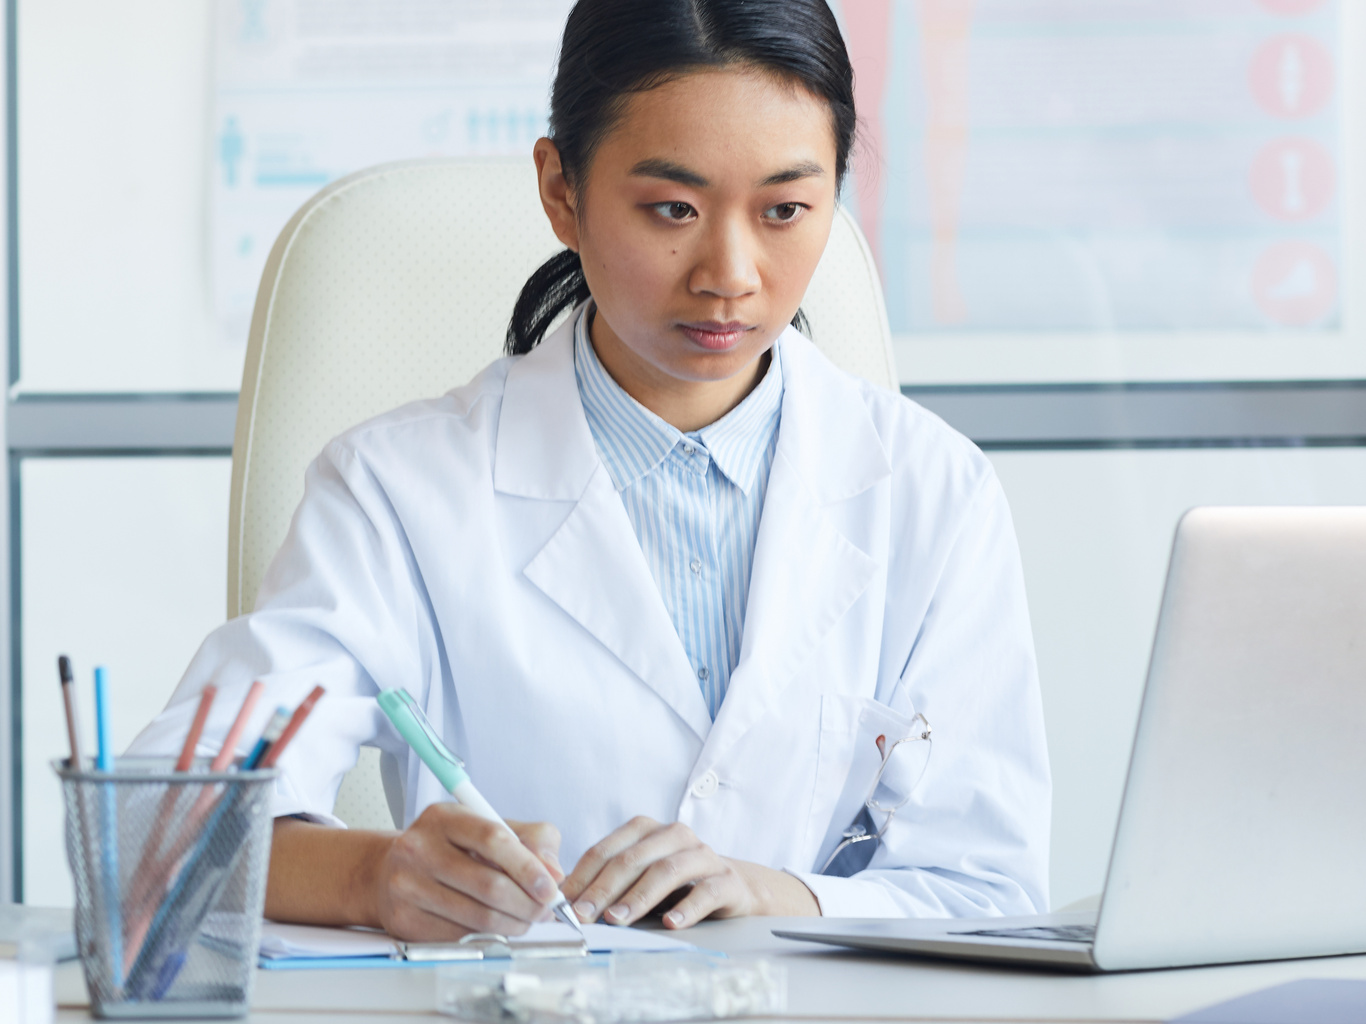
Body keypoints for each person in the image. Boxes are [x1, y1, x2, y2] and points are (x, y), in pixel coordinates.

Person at [129, 0, 1050, 938]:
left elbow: (989, 888)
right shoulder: (398, 491)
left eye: (784, 210)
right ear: (562, 191)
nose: (730, 271)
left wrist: (776, 894)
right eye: (672, 210)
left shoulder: (934, 491)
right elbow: (162, 829)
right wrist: (373, 876)